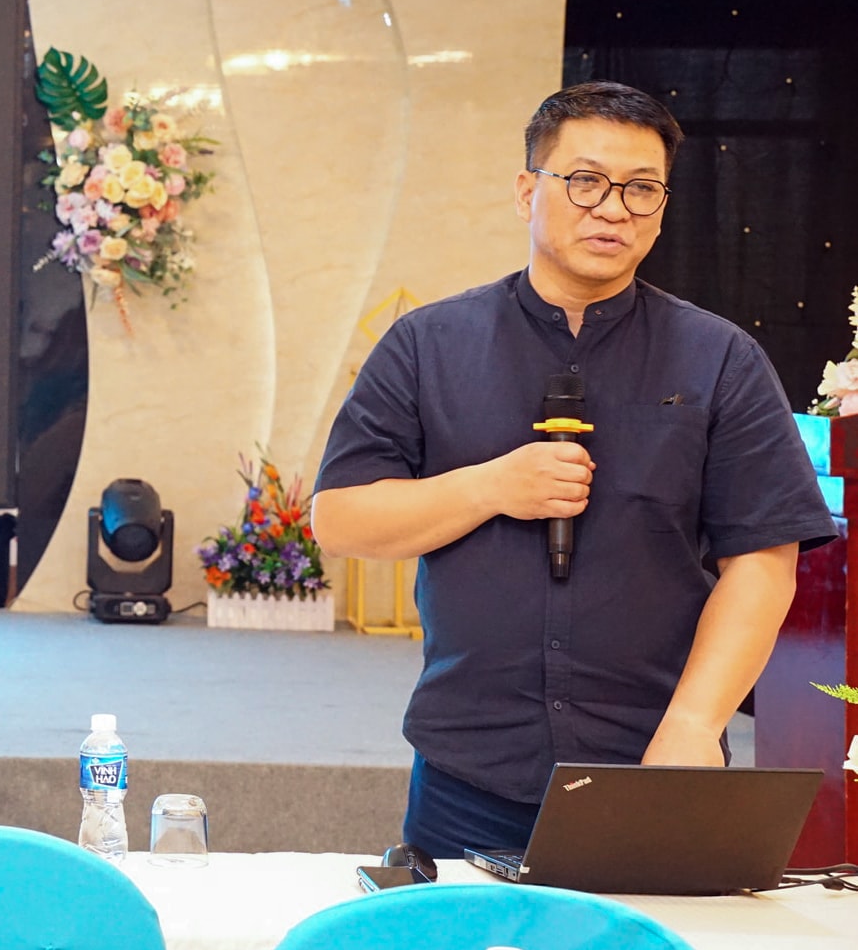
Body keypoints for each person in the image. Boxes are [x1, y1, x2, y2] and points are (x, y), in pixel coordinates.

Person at [310, 81, 838, 859]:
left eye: (641, 189)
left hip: (655, 766)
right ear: (528, 191)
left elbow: (763, 560)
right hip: (471, 770)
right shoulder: (428, 346)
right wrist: (490, 486)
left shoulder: (721, 358)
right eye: (586, 181)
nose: (613, 209)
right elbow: (341, 519)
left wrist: (693, 725)